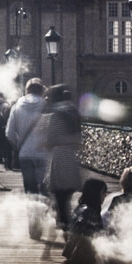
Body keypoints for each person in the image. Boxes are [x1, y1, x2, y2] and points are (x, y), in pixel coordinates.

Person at [41, 83, 83, 227]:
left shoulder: (55, 115)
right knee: (67, 192)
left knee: (59, 191)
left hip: (58, 155)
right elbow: (79, 139)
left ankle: (63, 221)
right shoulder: (74, 112)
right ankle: (65, 218)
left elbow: (49, 139)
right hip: (71, 155)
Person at [6, 79, 49, 196]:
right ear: (41, 91)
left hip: (25, 153)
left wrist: (17, 145)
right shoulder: (47, 106)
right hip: (43, 154)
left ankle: (32, 211)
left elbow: (9, 133)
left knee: (30, 188)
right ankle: (44, 212)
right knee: (44, 188)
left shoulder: (16, 106)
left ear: (27, 90)